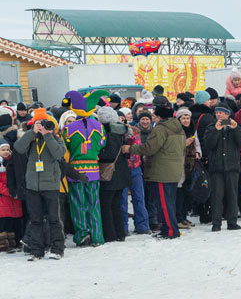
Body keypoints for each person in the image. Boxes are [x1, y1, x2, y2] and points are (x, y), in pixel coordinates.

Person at [125, 104, 186, 239]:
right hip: (174, 170)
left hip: (161, 172)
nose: (153, 119)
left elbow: (149, 148)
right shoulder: (179, 128)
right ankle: (167, 228)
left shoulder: (160, 129)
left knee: (164, 204)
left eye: (154, 116)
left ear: (159, 116)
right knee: (169, 203)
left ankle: (170, 231)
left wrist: (130, 149)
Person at [14, 116, 66, 259]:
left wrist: (47, 135)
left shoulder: (56, 139)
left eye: (46, 124)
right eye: (39, 124)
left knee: (54, 219)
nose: (43, 126)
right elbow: (18, 148)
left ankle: (57, 249)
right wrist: (32, 132)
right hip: (32, 186)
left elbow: (58, 154)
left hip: (50, 185)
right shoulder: (31, 139)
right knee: (35, 219)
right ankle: (36, 250)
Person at [61, 90, 108, 246]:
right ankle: (97, 236)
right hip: (93, 171)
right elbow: (102, 145)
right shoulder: (100, 128)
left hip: (75, 171)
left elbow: (64, 149)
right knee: (94, 204)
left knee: (78, 204)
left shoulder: (68, 129)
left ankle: (82, 235)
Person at [204, 105, 241, 232]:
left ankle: (232, 222)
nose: (219, 115)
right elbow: (209, 144)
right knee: (217, 197)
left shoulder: (235, 126)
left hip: (232, 167)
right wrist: (216, 130)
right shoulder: (210, 127)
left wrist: (235, 129)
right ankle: (216, 223)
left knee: (232, 196)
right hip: (216, 167)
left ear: (228, 115)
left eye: (221, 113)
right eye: (217, 113)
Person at [95, 106, 129, 243]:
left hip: (110, 174)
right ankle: (120, 233)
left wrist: (98, 154)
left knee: (106, 205)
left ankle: (110, 234)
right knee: (115, 205)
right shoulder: (121, 130)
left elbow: (110, 154)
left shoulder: (110, 133)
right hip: (120, 173)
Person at [175, 107, 201, 228]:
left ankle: (184, 216)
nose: (186, 120)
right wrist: (184, 143)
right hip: (180, 163)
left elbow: (197, 143)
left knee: (188, 190)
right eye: (183, 118)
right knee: (180, 190)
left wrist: (198, 153)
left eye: (188, 118)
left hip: (190, 162)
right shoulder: (177, 130)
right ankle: (178, 217)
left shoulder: (193, 129)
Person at [0, 141, 23, 252]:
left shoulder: (13, 162)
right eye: (2, 150)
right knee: (3, 221)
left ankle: (12, 242)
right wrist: (9, 191)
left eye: (7, 150)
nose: (5, 152)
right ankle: (3, 244)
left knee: (12, 221)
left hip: (14, 197)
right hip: (3, 197)